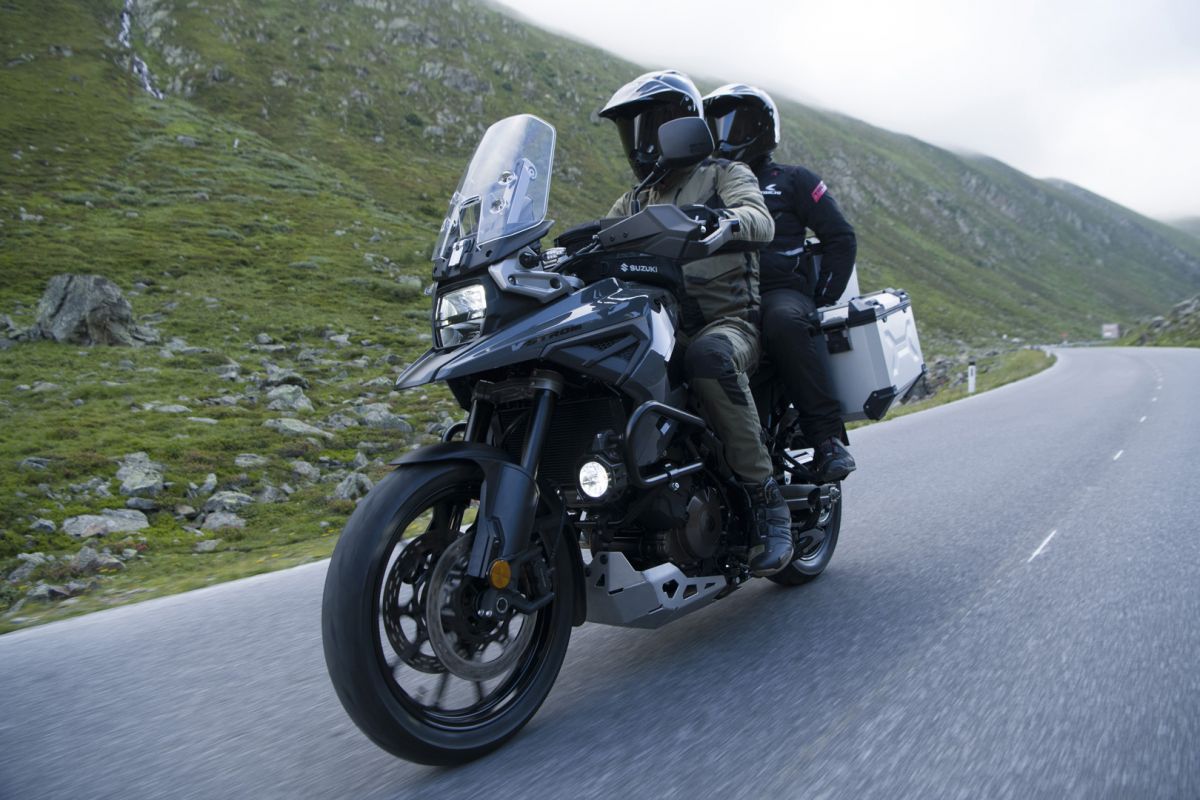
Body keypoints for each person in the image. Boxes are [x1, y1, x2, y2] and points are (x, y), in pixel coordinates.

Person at [599, 70, 793, 576]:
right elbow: (600, 239)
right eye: (631, 130)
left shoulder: (724, 175)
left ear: (682, 125)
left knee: (709, 357)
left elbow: (760, 219)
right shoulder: (634, 200)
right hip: (662, 331)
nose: (639, 142)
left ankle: (766, 500)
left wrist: (727, 221)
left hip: (729, 324)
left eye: (649, 126)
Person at [702, 83, 857, 482]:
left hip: (779, 293)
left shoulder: (793, 179)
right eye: (717, 126)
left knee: (784, 322)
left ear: (762, 129)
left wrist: (821, 298)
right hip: (720, 296)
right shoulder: (706, 186)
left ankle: (826, 441)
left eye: (736, 126)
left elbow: (840, 237)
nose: (724, 135)